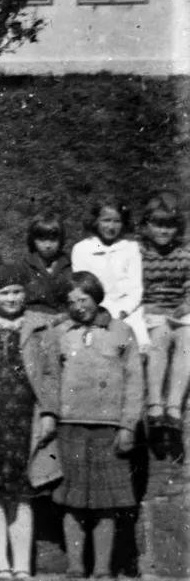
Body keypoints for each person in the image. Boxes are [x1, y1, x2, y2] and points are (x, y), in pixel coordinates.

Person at [0, 264, 62, 580]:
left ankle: (22, 564)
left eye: (17, 292)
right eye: (4, 293)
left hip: (25, 417)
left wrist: (49, 411)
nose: (12, 299)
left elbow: (50, 374)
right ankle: (0, 563)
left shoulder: (40, 327)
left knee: (22, 491)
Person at [51, 271, 143, 579]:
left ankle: (103, 568)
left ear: (97, 297)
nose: (79, 306)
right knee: (72, 500)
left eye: (84, 299)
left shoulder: (121, 331)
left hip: (109, 425)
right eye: (71, 301)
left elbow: (134, 382)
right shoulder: (61, 332)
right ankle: (76, 565)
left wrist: (128, 425)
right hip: (70, 424)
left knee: (106, 502)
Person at [136, 191, 190, 453]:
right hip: (151, 312)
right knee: (159, 338)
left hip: (178, 312)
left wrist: (186, 305)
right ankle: (155, 405)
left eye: (169, 225)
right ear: (146, 226)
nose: (163, 231)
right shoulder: (140, 254)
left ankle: (174, 409)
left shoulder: (184, 255)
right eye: (157, 224)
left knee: (187, 341)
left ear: (177, 228)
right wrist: (147, 307)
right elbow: (135, 288)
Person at [70, 197, 146, 347]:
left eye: (116, 221)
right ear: (96, 221)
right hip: (96, 311)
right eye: (106, 220)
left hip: (129, 311)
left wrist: (123, 311)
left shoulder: (131, 248)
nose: (111, 227)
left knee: (138, 346)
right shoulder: (82, 249)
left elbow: (136, 289)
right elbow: (84, 290)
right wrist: (105, 313)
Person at [22, 212, 72, 316]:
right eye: (42, 239)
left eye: (53, 239)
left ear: (61, 239)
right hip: (34, 317)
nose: (48, 245)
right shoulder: (25, 265)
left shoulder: (69, 264)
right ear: (33, 240)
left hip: (64, 317)